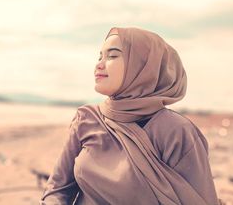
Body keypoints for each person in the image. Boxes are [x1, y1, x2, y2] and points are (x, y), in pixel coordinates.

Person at [39, 27, 222, 205]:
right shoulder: (87, 118)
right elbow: (57, 190)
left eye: (112, 55)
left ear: (143, 66)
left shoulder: (177, 131)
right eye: (100, 56)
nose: (99, 64)